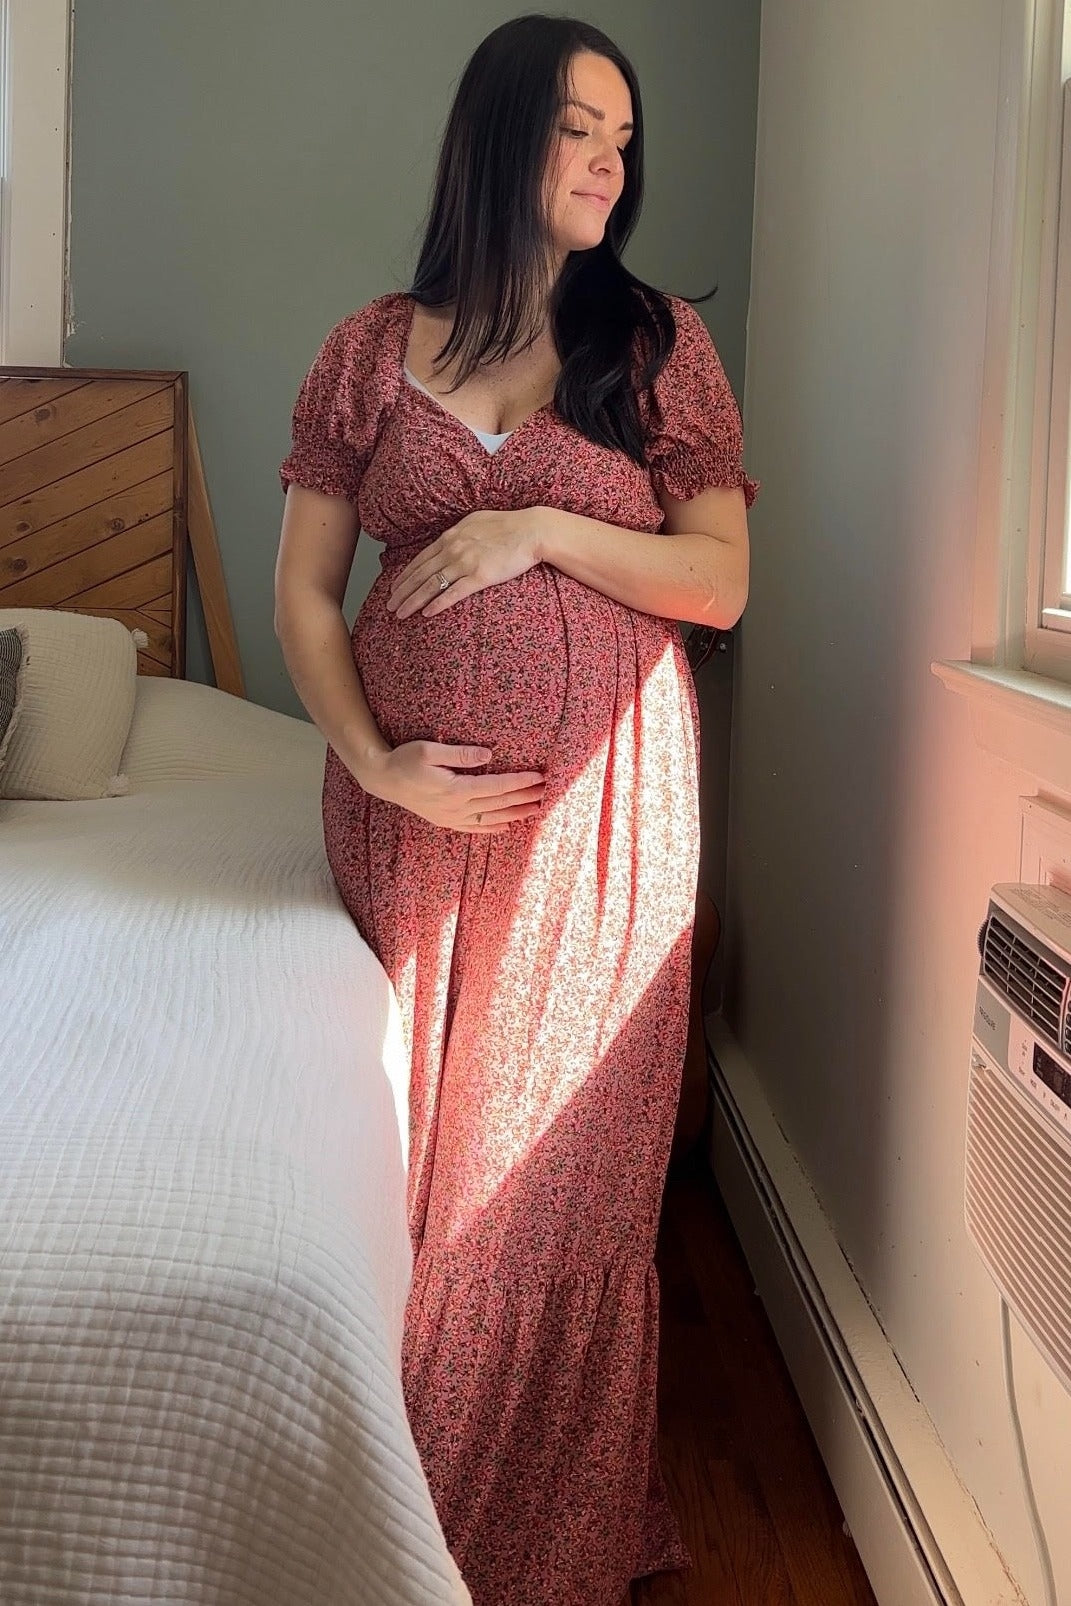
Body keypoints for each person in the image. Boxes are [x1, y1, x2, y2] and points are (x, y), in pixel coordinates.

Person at [274, 14, 758, 1605]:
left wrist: (540, 527)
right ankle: (375, 1531)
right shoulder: (368, 351)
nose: (611, 162)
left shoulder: (656, 345)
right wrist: (372, 759)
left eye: (625, 136)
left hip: (603, 830)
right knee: (409, 1169)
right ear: (497, 136)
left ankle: (517, 1543)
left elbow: (719, 580)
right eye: (576, 128)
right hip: (410, 823)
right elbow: (304, 594)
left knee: (542, 1174)